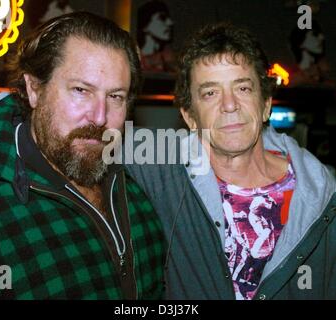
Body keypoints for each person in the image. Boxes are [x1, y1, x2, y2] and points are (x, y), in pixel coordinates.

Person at [125, 23, 336, 299]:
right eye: (210, 93)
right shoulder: (164, 169)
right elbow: (91, 131)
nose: (229, 104)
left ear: (266, 104)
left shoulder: (322, 193)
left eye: (243, 88)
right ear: (189, 116)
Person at [0, 12, 166, 299]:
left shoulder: (140, 185)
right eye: (81, 90)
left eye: (115, 96)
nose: (100, 117)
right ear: (33, 89)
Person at [136, 0, 175, 73]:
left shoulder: (168, 57)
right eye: (162, 18)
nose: (170, 23)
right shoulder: (135, 57)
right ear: (145, 25)